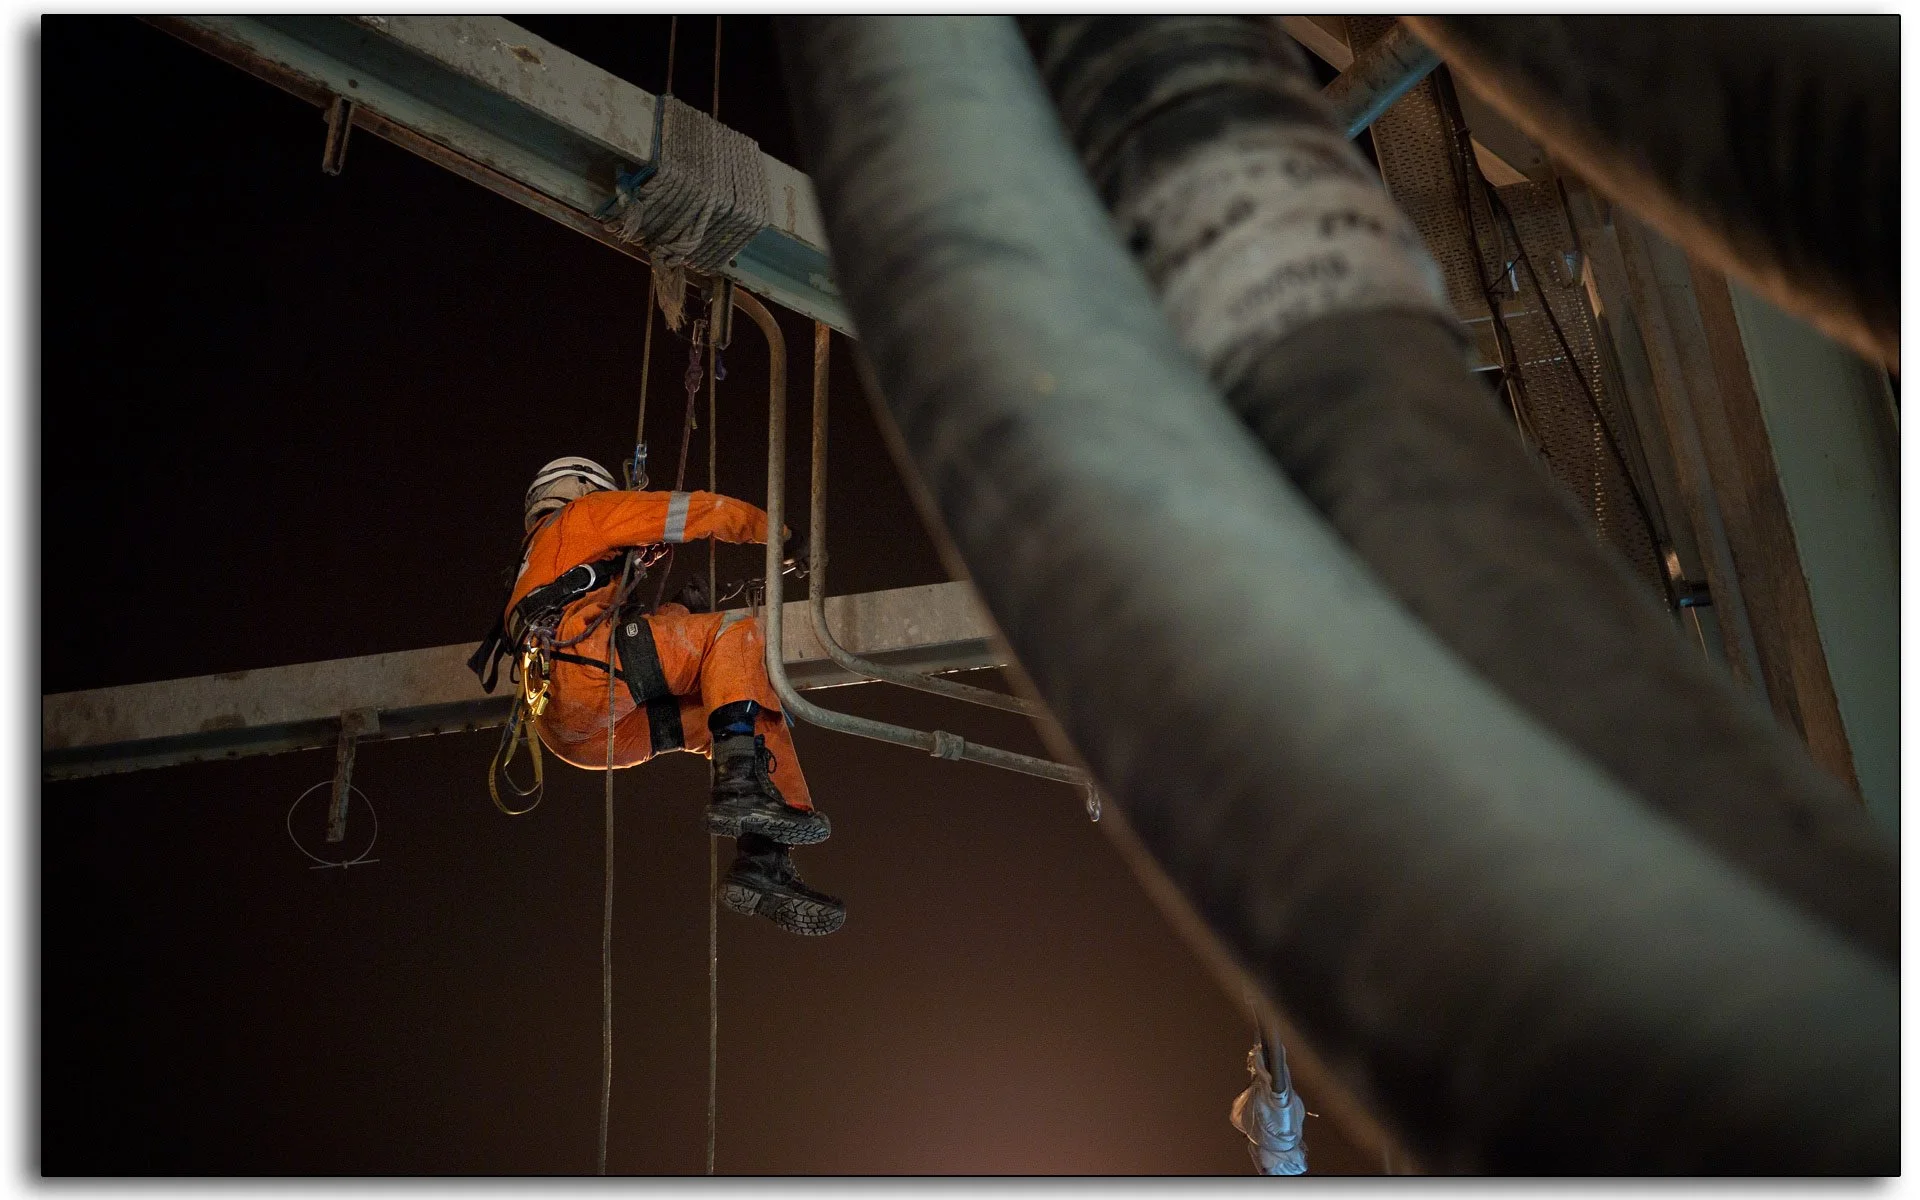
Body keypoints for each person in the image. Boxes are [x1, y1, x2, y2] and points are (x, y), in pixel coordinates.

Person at [471, 455, 845, 936]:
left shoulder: (541, 558)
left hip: (573, 732)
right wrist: (781, 536)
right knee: (735, 634)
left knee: (741, 712)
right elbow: (694, 511)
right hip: (588, 674)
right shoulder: (585, 514)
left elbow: (623, 643)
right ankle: (740, 788)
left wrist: (677, 611)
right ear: (583, 488)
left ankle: (763, 859)